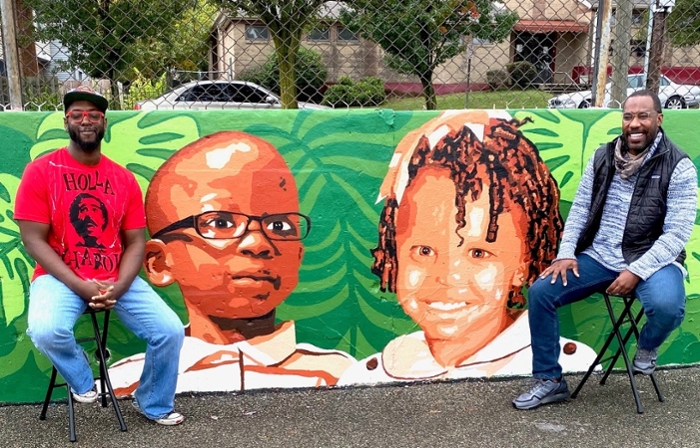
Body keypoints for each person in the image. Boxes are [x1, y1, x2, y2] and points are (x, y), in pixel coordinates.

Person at [338, 110, 597, 385]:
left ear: (522, 263)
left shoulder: (570, 362)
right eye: (423, 251)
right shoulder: (370, 374)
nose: (448, 276)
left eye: (478, 253)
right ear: (394, 253)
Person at [108, 131, 355, 394]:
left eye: (279, 226)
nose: (258, 244)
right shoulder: (129, 383)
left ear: (298, 255)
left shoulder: (338, 375)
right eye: (221, 223)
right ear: (159, 263)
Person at [513, 90, 698, 410]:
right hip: (599, 255)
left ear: (659, 119)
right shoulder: (603, 157)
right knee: (542, 292)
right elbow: (581, 210)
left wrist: (636, 270)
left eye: (643, 116)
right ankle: (550, 380)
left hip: (653, 259)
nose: (635, 123)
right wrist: (566, 254)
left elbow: (677, 234)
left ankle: (647, 347)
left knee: (667, 306)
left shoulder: (678, 165)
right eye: (628, 117)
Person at [15, 86, 185, 425]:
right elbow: (33, 240)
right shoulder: (41, 171)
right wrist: (81, 286)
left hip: (114, 278)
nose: (86, 121)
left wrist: (118, 287)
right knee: (46, 329)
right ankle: (81, 379)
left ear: (104, 123)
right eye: (77, 115)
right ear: (66, 122)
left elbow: (136, 241)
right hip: (59, 277)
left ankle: (154, 402)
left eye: (94, 115)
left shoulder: (122, 179)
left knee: (170, 331)